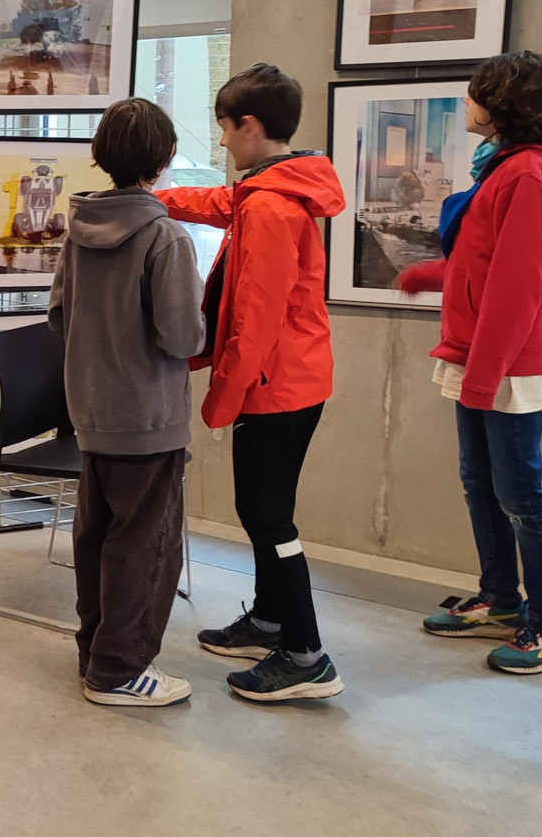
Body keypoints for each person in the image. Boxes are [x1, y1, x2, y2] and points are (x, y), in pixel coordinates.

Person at [156, 63, 348, 703]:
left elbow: (257, 314)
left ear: (251, 125)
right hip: (295, 375)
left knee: (267, 516)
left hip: (276, 382)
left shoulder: (268, 203)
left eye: (224, 129)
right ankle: (269, 619)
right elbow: (217, 203)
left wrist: (223, 395)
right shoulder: (275, 187)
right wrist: (153, 198)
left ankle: (305, 654)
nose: (221, 142)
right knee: (265, 510)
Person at [397, 51, 542, 675]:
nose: (467, 103)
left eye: (476, 93)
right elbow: (484, 264)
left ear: (503, 103)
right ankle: (503, 601)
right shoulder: (499, 167)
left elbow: (518, 286)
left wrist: (484, 375)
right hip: (479, 353)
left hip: (505, 362)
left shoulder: (529, 173)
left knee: (521, 493)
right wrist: (428, 276)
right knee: (481, 486)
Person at [48, 98, 206, 707]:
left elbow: (59, 316)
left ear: (101, 155)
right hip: (149, 421)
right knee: (149, 544)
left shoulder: (77, 231)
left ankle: (95, 654)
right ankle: (120, 671)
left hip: (91, 413)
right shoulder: (165, 236)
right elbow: (181, 337)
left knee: (98, 537)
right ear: (165, 160)